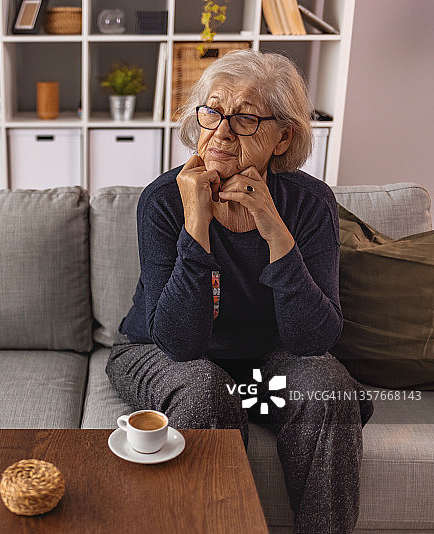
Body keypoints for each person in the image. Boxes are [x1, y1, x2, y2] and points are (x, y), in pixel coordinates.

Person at [106, 49, 373, 534]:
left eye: (246, 118)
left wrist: (276, 233)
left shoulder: (310, 204)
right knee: (206, 389)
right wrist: (197, 225)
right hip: (157, 352)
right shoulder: (164, 200)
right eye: (212, 111)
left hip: (264, 371)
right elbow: (180, 344)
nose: (221, 132)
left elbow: (313, 342)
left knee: (327, 390)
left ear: (283, 136)